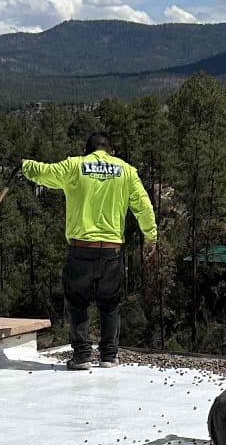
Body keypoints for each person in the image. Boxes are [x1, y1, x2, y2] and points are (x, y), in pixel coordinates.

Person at [20, 133, 158, 368]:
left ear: (87, 151)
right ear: (110, 151)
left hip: (81, 249)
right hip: (112, 251)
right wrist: (150, 237)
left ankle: (82, 356)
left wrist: (25, 166)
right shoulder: (126, 171)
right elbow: (143, 206)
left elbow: (45, 172)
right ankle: (108, 356)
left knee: (77, 302)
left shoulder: (76, 166)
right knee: (110, 303)